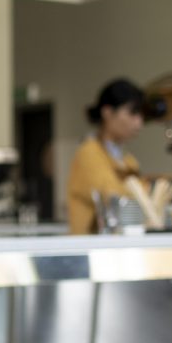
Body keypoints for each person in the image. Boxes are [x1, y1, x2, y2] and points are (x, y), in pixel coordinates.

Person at [66, 78, 145, 234]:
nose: (139, 123)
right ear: (107, 112)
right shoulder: (88, 153)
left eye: (141, 115)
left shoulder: (128, 161)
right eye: (132, 113)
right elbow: (113, 197)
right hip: (90, 249)